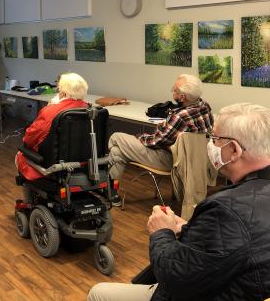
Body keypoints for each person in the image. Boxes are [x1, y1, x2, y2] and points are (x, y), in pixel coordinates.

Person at [88, 103, 270, 301]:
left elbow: (173, 279)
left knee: (98, 293)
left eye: (215, 139)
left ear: (234, 150)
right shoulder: (240, 204)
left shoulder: (226, 209)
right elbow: (237, 244)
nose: (209, 145)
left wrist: (161, 232)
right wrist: (191, 229)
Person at [108, 74, 213, 205]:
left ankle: (106, 187)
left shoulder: (180, 116)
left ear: (182, 97)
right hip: (194, 162)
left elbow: (156, 142)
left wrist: (140, 136)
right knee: (118, 151)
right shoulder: (204, 106)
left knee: (116, 137)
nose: (172, 91)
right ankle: (110, 191)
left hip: (172, 161)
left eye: (174, 90)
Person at [16, 72, 89, 182]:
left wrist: (49, 107)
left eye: (58, 90)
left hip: (54, 165)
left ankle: (30, 197)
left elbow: (29, 139)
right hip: (83, 162)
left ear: (63, 94)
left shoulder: (51, 111)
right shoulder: (89, 109)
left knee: (20, 155)